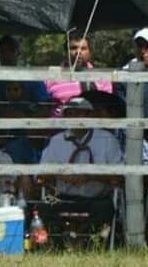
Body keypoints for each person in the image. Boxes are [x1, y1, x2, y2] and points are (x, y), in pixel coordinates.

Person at [37, 97, 122, 233]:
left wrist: (90, 176)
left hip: (96, 198)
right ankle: (58, 245)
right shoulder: (57, 141)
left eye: (79, 113)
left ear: (91, 115)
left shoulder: (107, 139)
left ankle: (89, 244)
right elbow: (40, 176)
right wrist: (60, 173)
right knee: (44, 207)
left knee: (105, 209)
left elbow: (118, 177)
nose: (74, 117)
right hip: (62, 197)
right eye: (70, 114)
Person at [0, 35, 50, 117]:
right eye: (2, 51)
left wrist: (23, 118)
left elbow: (45, 110)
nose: (6, 54)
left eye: (11, 50)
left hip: (27, 127)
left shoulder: (32, 78)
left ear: (19, 53)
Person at [45, 34, 112, 115]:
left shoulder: (102, 78)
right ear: (66, 52)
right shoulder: (51, 77)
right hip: (61, 125)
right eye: (73, 48)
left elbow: (108, 108)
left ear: (90, 52)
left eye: (83, 48)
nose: (78, 52)